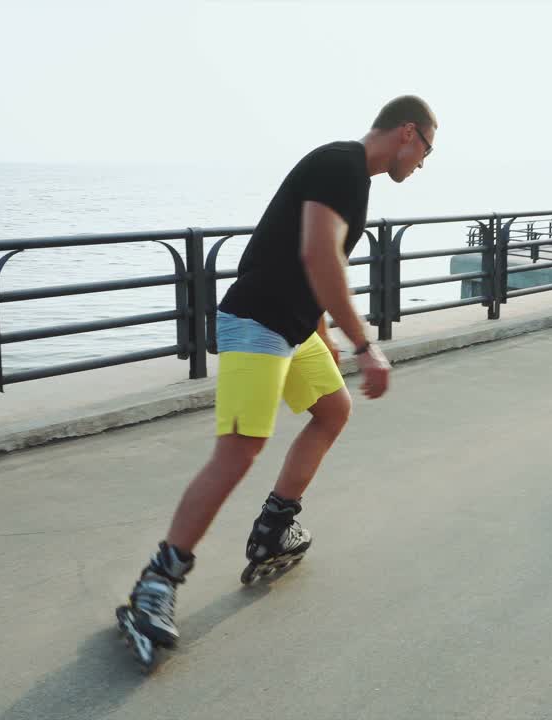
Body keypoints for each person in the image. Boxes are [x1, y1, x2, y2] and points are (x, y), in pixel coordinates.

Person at [116, 95, 438, 666]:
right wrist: (366, 345)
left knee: (334, 410)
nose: (421, 165)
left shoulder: (350, 175)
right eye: (426, 151)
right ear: (407, 133)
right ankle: (155, 584)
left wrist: (325, 332)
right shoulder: (342, 164)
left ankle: (273, 529)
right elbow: (320, 256)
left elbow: (305, 258)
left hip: (293, 327)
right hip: (257, 321)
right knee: (240, 448)